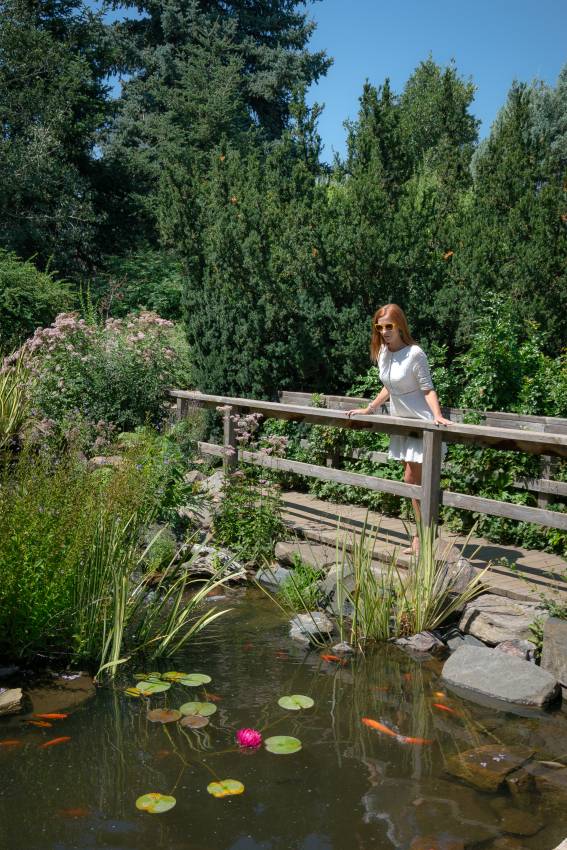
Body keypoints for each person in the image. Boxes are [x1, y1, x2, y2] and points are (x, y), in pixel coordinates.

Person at [346, 303, 452, 554]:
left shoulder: (415, 353)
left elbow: (427, 387)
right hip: (401, 426)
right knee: (414, 486)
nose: (384, 331)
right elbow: (390, 387)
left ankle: (422, 537)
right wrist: (369, 409)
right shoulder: (383, 353)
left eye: (389, 326)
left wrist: (437, 416)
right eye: (379, 326)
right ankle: (424, 536)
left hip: (421, 424)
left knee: (411, 482)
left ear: (400, 325)